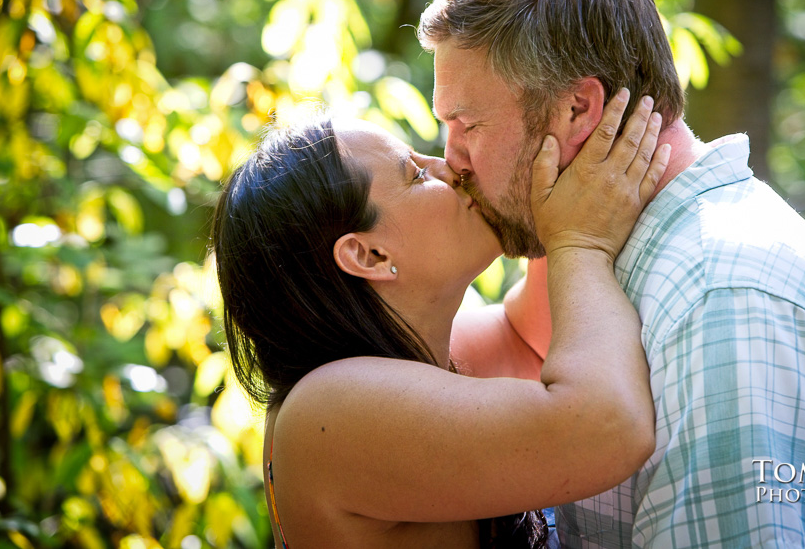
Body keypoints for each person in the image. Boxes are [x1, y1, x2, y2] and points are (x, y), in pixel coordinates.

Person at [418, 0, 805, 547]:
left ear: (579, 110)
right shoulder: (638, 263)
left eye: (467, 125)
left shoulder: (722, 295)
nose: (451, 161)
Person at [211, 90, 670, 548]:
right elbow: (609, 427)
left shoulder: (395, 367)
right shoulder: (327, 410)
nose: (451, 166)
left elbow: (527, 330)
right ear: (368, 254)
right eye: (414, 173)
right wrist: (581, 243)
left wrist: (546, 157)